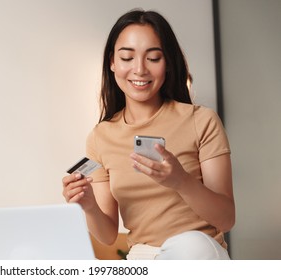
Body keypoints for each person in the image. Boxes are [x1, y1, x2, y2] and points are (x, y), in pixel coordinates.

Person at [62, 9, 235, 260]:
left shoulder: (201, 120)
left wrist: (180, 181)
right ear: (112, 62)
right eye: (127, 57)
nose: (140, 69)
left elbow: (227, 219)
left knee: (190, 246)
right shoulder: (101, 137)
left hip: (198, 252)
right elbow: (108, 235)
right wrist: (88, 206)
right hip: (143, 258)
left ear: (167, 64)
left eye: (153, 58)